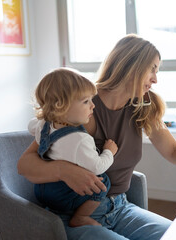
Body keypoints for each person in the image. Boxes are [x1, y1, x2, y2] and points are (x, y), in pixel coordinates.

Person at [18, 34, 176, 240]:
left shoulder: (143, 105)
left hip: (119, 208)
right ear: (131, 65)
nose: (155, 78)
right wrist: (63, 170)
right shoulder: (83, 104)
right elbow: (25, 164)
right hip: (73, 215)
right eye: (152, 68)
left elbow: (173, 150)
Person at [28, 68, 118, 227]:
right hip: (65, 195)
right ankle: (81, 217)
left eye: (92, 100)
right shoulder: (80, 139)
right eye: (86, 101)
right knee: (103, 182)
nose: (93, 106)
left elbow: (30, 126)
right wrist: (109, 151)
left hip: (42, 189)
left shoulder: (43, 124)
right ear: (61, 106)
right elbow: (98, 166)